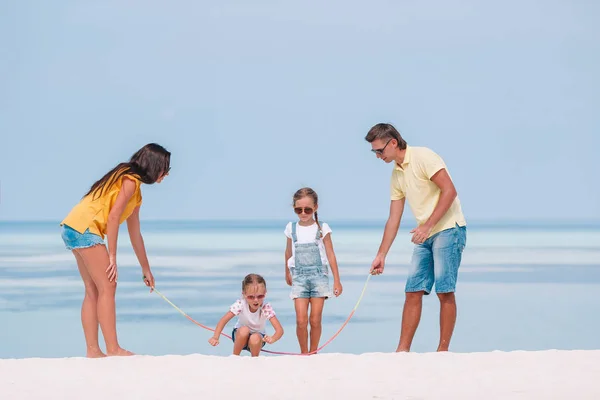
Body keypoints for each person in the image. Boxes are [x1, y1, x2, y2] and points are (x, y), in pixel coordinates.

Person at [59, 143, 171, 358]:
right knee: (108, 286)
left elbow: (135, 234)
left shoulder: (133, 188)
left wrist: (146, 269)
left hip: (72, 227)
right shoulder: (129, 181)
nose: (166, 173)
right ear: (154, 165)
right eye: (164, 168)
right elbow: (112, 217)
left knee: (93, 290)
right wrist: (112, 256)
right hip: (85, 229)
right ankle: (113, 349)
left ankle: (93, 350)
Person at [365, 123, 467, 352]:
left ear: (393, 142)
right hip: (425, 234)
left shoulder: (423, 156)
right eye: (374, 152)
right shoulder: (397, 174)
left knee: (445, 290)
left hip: (449, 229)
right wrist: (381, 254)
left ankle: (443, 351)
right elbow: (393, 218)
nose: (377, 156)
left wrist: (428, 225)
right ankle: (402, 351)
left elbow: (450, 190)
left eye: (379, 150)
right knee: (412, 290)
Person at [284, 187, 343, 354]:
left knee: (315, 319)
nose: (303, 213)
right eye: (298, 209)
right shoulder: (291, 228)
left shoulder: (322, 228)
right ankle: (304, 353)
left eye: (307, 209)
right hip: (299, 277)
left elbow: (330, 254)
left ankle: (313, 351)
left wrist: (337, 280)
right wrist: (287, 271)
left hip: (319, 277)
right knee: (301, 320)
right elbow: (288, 252)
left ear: (315, 207)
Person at [208, 273, 284, 357]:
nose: (256, 300)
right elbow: (223, 320)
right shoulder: (241, 304)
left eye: (260, 296)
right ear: (244, 294)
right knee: (244, 330)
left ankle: (254, 359)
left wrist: (273, 338)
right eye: (251, 297)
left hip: (257, 339)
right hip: (240, 336)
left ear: (265, 293)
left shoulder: (265, 308)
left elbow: (279, 330)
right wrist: (215, 337)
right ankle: (235, 356)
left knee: (255, 337)